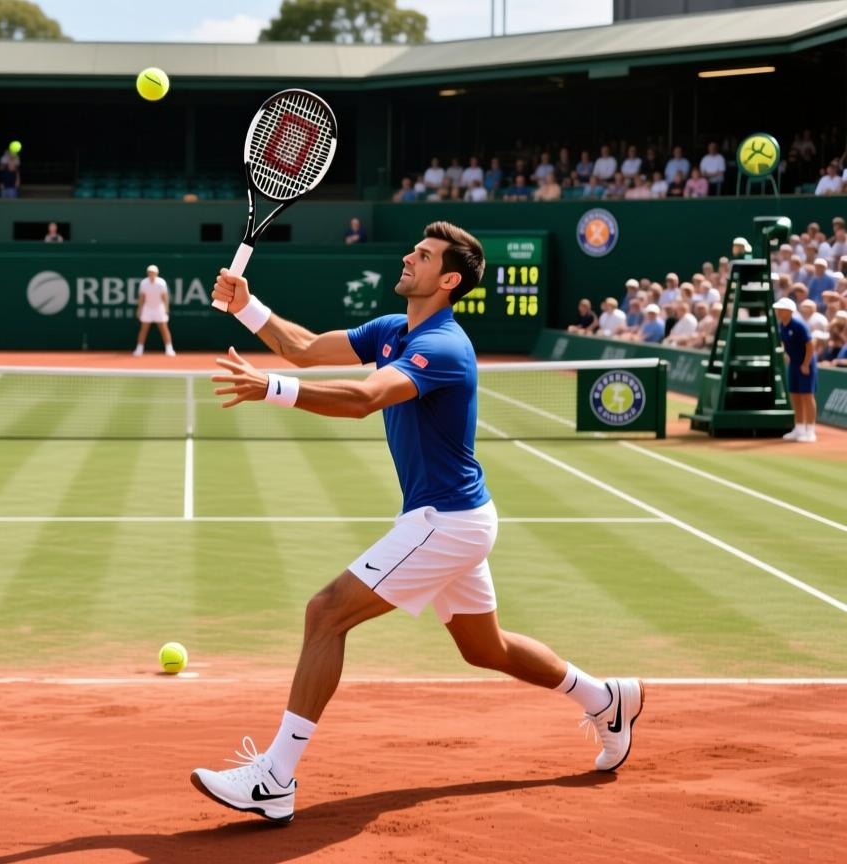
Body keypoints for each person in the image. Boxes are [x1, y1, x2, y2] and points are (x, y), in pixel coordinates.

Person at [193, 221, 643, 823]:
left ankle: (275, 776)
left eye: (424, 255)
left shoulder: (446, 346)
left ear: (448, 279)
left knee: (326, 613)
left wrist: (270, 388)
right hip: (458, 516)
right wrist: (249, 308)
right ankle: (605, 698)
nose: (409, 256)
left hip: (447, 521)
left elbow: (364, 399)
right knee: (487, 649)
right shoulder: (391, 330)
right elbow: (303, 348)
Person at [774, 297, 816, 442]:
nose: (778, 311)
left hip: (806, 364)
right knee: (795, 395)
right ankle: (799, 428)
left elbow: (810, 345)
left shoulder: (799, 325)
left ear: (789, 311)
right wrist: (787, 354)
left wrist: (805, 364)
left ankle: (810, 430)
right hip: (794, 364)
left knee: (807, 396)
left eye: (781, 309)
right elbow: (785, 343)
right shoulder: (782, 325)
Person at [133, 264, 175, 357]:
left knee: (164, 329)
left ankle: (169, 349)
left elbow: (165, 296)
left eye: (153, 272)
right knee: (143, 329)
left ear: (156, 273)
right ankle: (139, 349)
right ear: (148, 273)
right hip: (147, 308)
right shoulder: (144, 283)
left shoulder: (161, 283)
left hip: (159, 308)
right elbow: (141, 298)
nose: (151, 274)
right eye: (150, 272)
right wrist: (139, 309)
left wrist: (166, 308)